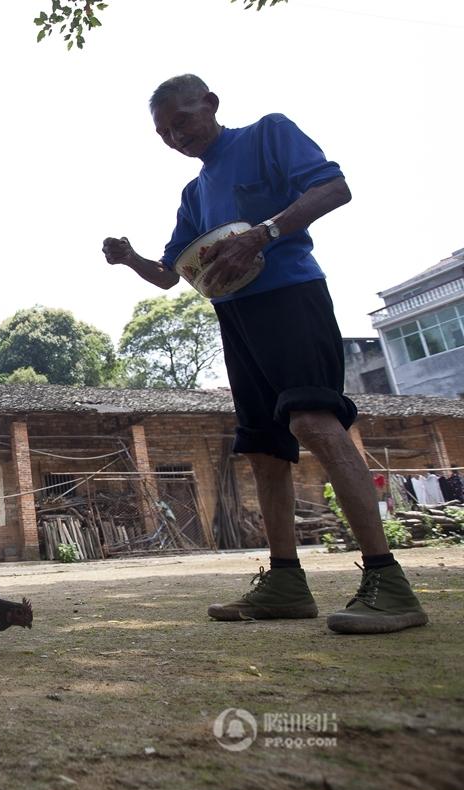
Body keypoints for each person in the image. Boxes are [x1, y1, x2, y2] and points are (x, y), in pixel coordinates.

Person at [102, 74, 427, 634]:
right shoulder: (194, 194)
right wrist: (129, 257)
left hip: (292, 295)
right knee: (264, 449)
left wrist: (263, 233)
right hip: (236, 315)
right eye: (162, 132)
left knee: (315, 422)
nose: (174, 135)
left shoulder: (267, 134)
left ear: (210, 104)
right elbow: (171, 275)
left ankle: (388, 581)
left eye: (181, 120)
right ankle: (284, 582)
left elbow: (334, 188)